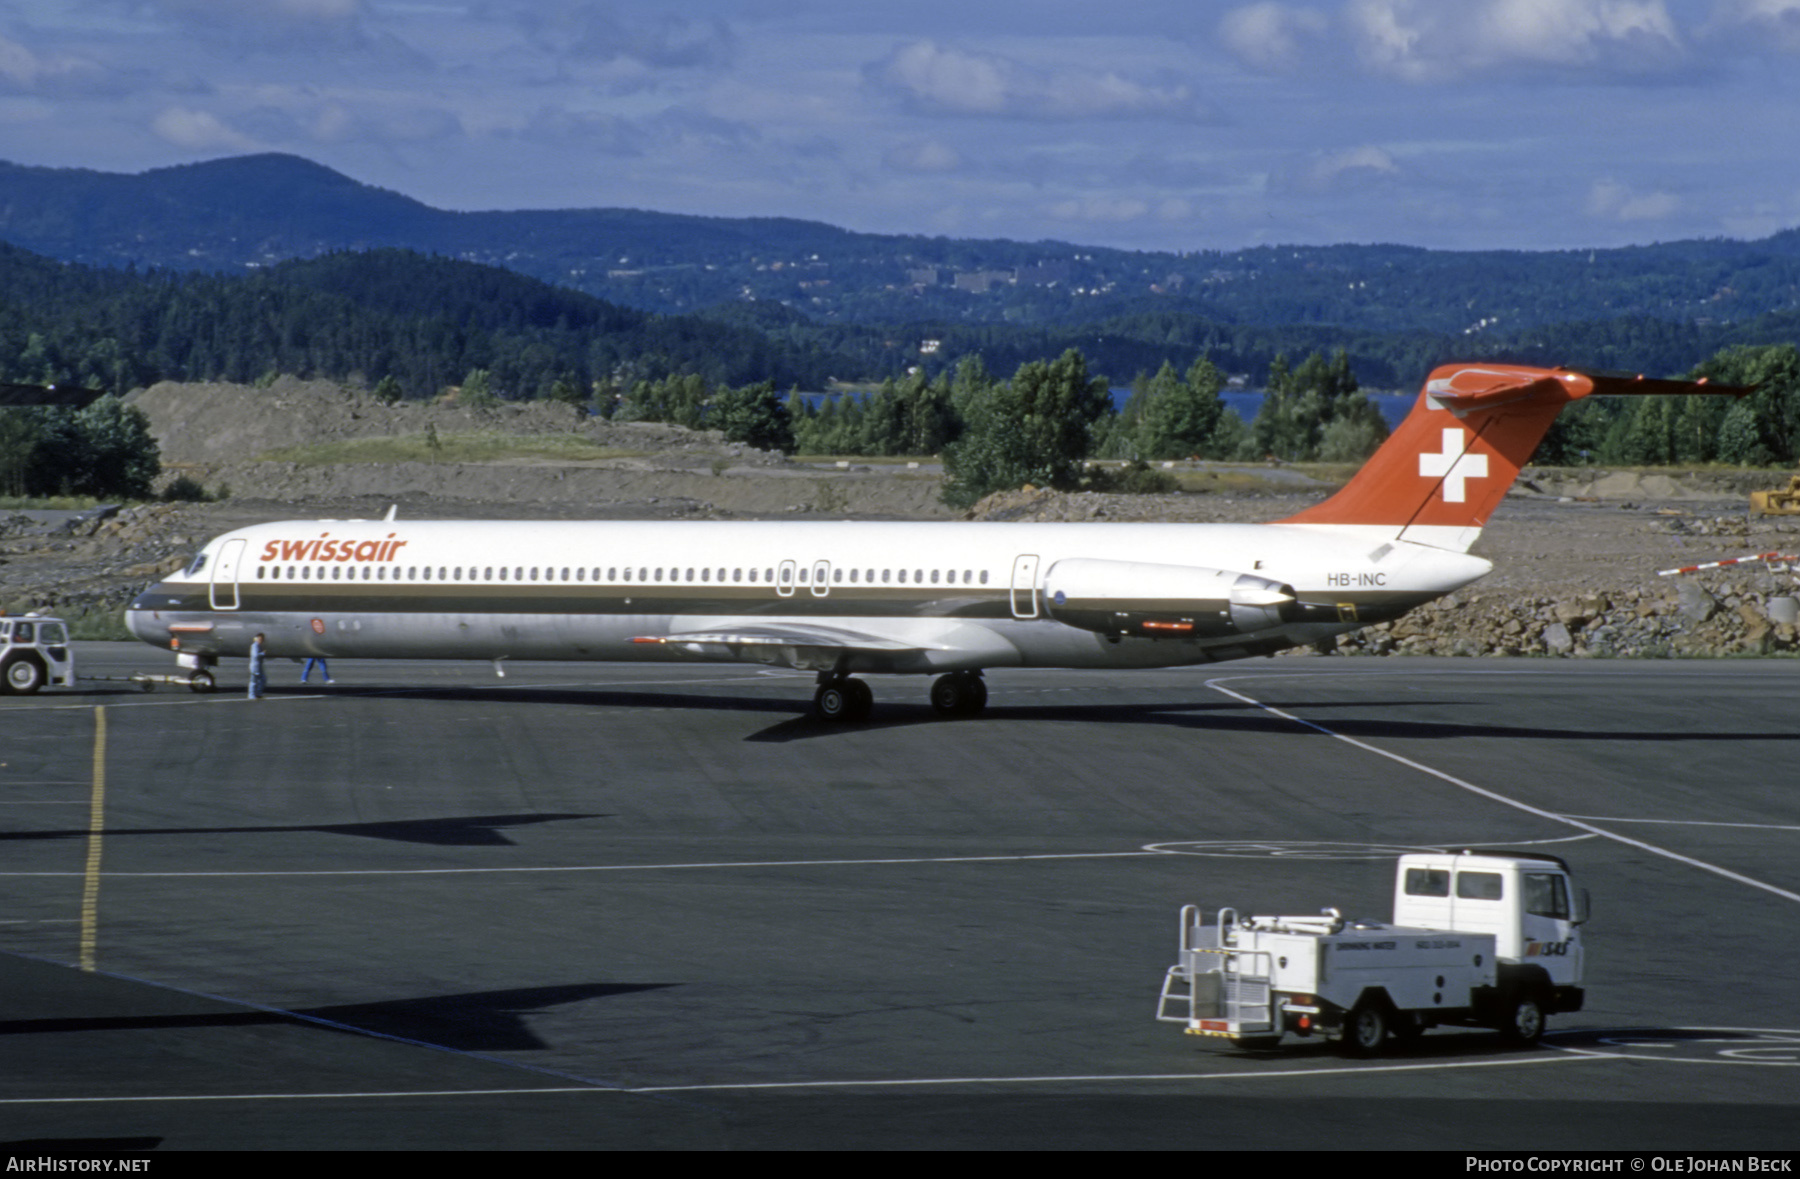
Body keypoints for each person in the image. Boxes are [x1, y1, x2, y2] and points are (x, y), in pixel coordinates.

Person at [248, 633, 267, 700]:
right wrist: (262, 653)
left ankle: (258, 693)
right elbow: (255, 655)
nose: (260, 640)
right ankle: (251, 695)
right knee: (253, 681)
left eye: (261, 639)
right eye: (259, 639)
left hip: (258, 666)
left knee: (263, 680)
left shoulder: (258, 646)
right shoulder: (254, 646)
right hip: (255, 666)